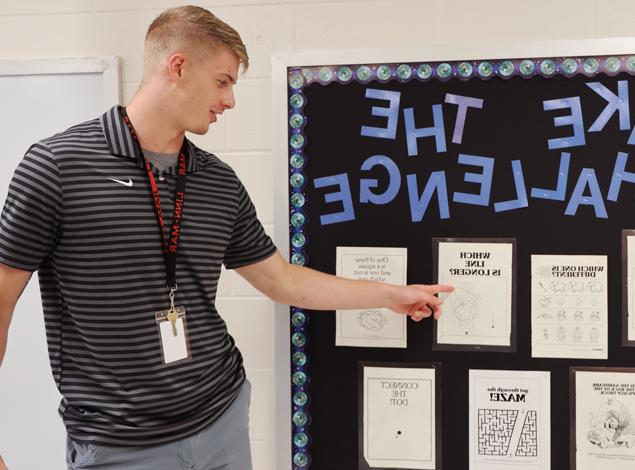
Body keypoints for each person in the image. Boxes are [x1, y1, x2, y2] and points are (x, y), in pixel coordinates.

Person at [0, 5, 452, 469]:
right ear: (177, 67)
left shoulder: (217, 180)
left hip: (221, 419)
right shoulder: (55, 167)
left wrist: (387, 294)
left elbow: (280, 280)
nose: (231, 99)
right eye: (223, 81)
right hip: (121, 444)